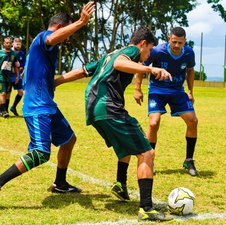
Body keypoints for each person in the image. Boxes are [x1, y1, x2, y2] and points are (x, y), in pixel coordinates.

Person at [54, 26, 173, 221]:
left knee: (129, 143)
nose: (149, 54)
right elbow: (120, 63)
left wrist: (56, 82)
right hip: (107, 107)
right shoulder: (130, 52)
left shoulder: (110, 54)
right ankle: (146, 208)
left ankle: (120, 184)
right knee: (146, 152)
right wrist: (150, 68)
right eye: (150, 49)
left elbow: (82, 71)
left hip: (93, 108)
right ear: (142, 44)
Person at [0, 2, 95, 193]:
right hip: (37, 107)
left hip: (47, 105)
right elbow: (53, 38)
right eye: (67, 32)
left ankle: (59, 183)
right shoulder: (44, 37)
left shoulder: (46, 49)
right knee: (40, 152)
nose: (68, 38)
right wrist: (81, 22)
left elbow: (54, 79)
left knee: (69, 140)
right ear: (60, 27)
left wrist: (85, 71)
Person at [134, 27, 199, 176]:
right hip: (157, 91)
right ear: (169, 39)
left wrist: (190, 91)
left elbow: (190, 71)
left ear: (185, 42)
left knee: (193, 121)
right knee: (153, 123)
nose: (176, 45)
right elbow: (141, 67)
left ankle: (189, 160)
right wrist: (137, 89)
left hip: (178, 91)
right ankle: (149, 160)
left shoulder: (189, 53)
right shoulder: (157, 51)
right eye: (174, 41)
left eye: (180, 43)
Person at [0, 37, 20, 118]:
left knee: (8, 94)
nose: (8, 44)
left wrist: (17, 76)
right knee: (3, 93)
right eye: (6, 43)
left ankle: (4, 110)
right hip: (1, 76)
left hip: (9, 77)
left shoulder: (13, 54)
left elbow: (15, 66)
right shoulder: (0, 53)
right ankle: (4, 111)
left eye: (9, 43)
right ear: (3, 44)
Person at [7, 37, 26, 116]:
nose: (18, 46)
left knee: (21, 92)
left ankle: (13, 107)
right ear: (13, 44)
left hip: (17, 75)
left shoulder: (22, 54)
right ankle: (4, 110)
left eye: (20, 44)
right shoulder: (8, 52)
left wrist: (21, 74)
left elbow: (24, 65)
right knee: (7, 93)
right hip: (8, 75)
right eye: (17, 44)